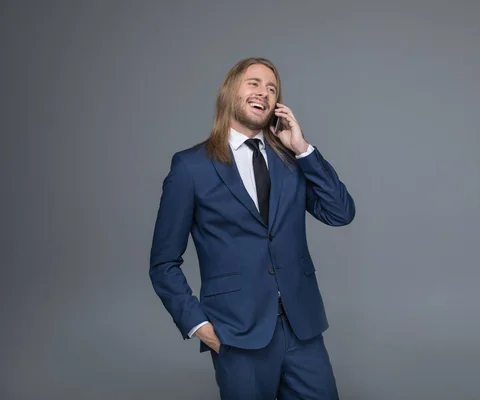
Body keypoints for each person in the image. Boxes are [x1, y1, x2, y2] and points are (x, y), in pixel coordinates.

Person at [149, 57, 355, 399]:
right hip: (237, 334)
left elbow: (340, 212)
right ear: (231, 92)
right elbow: (163, 263)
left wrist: (303, 150)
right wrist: (199, 326)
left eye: (272, 88)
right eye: (254, 83)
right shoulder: (191, 167)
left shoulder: (290, 162)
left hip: (302, 329)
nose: (265, 92)